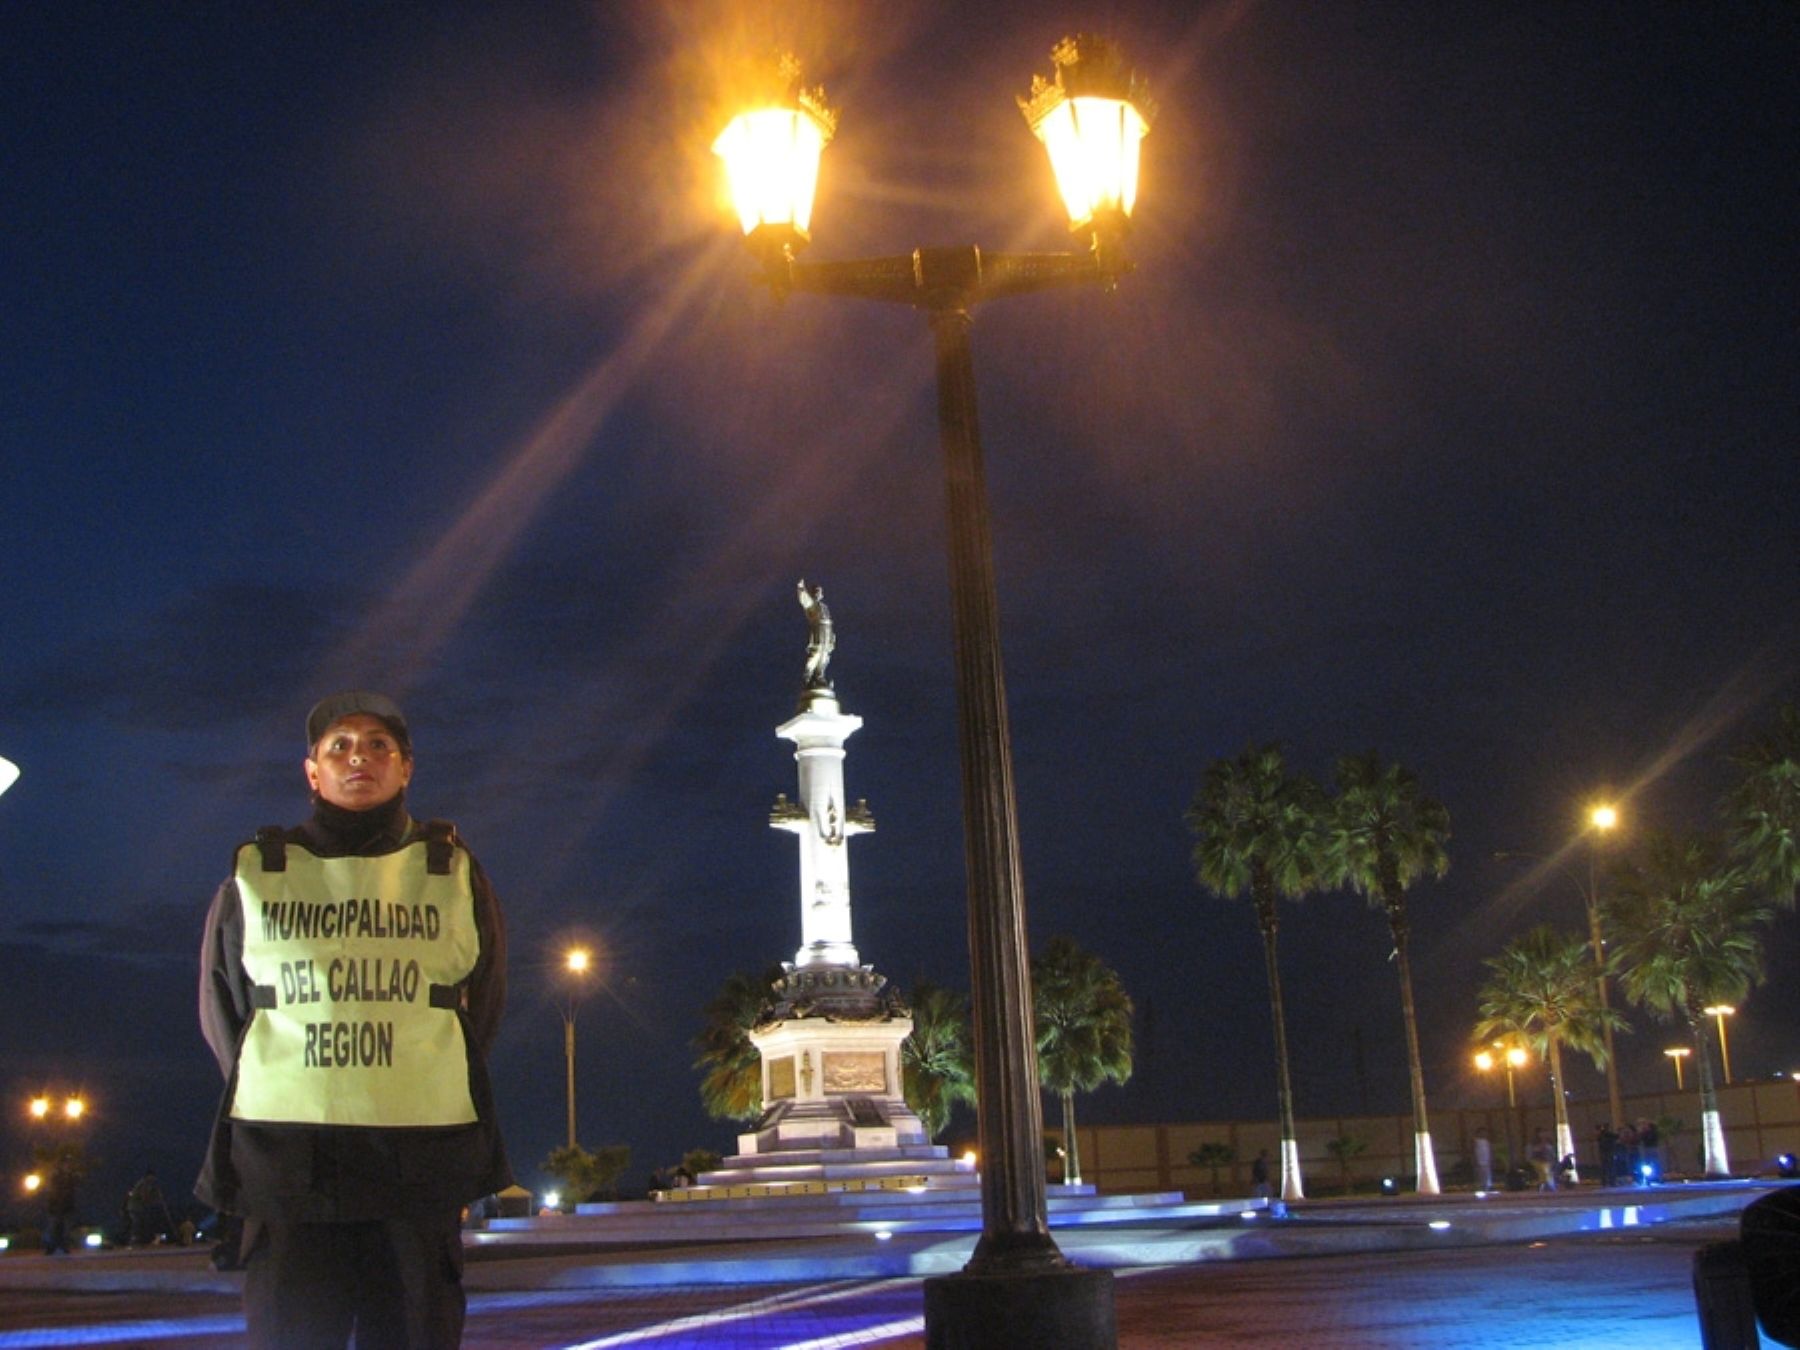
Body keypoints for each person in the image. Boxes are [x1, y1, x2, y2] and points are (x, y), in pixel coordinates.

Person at [195, 691, 511, 1349]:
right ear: (312, 772)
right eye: (338, 745)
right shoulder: (260, 871)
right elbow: (225, 1008)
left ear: (405, 768)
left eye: (377, 745)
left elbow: (479, 1004)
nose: (358, 757)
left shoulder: (451, 870)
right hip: (289, 1170)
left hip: (417, 1168)